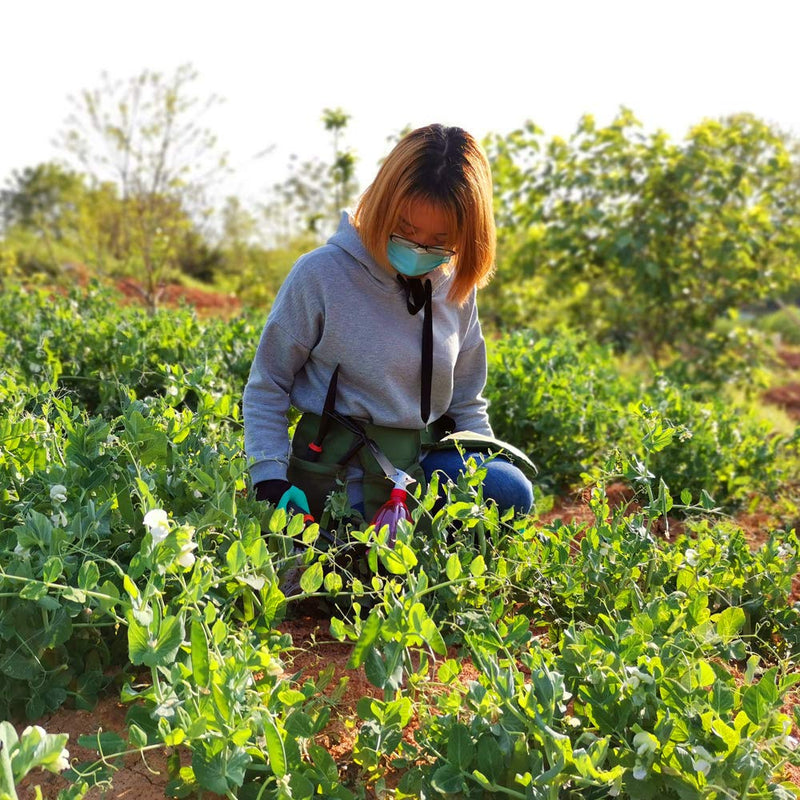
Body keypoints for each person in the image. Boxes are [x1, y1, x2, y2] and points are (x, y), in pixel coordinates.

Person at [243, 124, 533, 527]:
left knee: (508, 490)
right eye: (406, 230)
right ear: (382, 204)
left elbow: (467, 403)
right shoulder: (321, 274)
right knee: (351, 554)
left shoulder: (455, 287)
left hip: (417, 465)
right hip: (337, 465)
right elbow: (267, 384)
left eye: (439, 241)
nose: (418, 250)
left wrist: (476, 478)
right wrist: (269, 478)